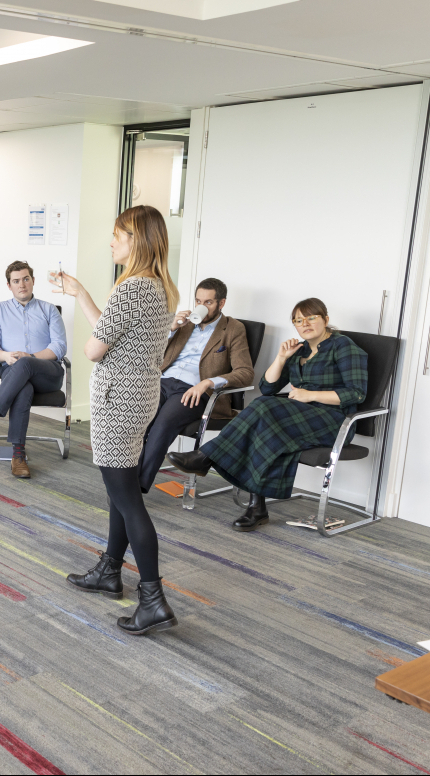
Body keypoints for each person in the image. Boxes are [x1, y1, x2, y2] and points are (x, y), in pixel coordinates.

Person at [60, 205, 180, 636]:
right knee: (120, 492)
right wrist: (82, 294)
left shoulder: (131, 289)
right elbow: (113, 333)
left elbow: (95, 349)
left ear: (138, 241)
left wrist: (91, 312)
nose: (111, 242)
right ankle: (110, 571)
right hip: (140, 397)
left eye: (119, 235)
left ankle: (153, 599)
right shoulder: (161, 288)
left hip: (117, 402)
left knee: (127, 499)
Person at [168, 298, 368, 532]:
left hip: (334, 420)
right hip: (300, 417)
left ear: (325, 319)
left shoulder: (343, 346)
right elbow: (268, 387)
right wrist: (282, 358)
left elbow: (356, 394)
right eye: (298, 320)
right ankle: (256, 508)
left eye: (311, 318)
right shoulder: (299, 350)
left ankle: (207, 457)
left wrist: (308, 395)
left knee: (265, 409)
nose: (305, 324)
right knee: (266, 424)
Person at [135, 278, 254, 493]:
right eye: (199, 300)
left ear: (221, 303)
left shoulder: (233, 329)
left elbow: (245, 373)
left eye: (208, 302)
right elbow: (151, 355)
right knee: (139, 420)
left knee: (162, 425)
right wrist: (170, 329)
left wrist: (208, 382)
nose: (203, 306)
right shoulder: (184, 323)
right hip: (161, 382)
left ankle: (135, 488)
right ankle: (125, 480)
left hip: (195, 391)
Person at [0, 261, 68, 479]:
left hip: (48, 373)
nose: (22, 285)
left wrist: (30, 357)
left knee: (25, 363)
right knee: (23, 388)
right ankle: (18, 455)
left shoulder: (49, 310)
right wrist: (6, 356)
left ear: (33, 281)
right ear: (9, 285)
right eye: (16, 281)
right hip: (14, 372)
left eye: (26, 279)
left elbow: (59, 347)